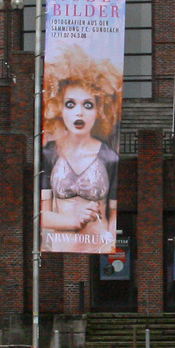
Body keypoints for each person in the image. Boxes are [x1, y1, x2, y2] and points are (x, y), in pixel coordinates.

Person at [39, 44, 123, 253]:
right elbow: (42, 215)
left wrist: (109, 244)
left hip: (98, 247)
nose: (79, 113)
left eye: (87, 105)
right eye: (70, 104)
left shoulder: (109, 157)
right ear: (59, 108)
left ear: (99, 111)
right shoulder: (49, 152)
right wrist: (74, 221)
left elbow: (112, 216)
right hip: (58, 248)